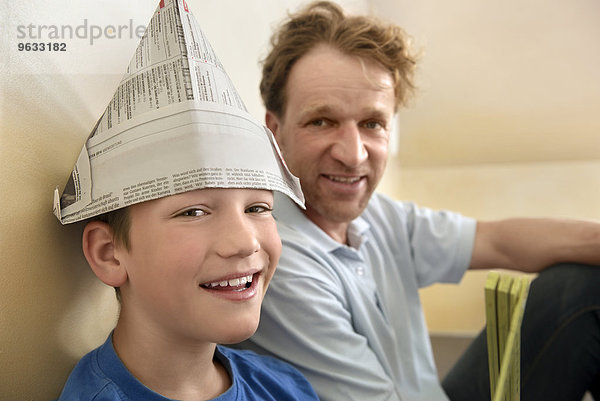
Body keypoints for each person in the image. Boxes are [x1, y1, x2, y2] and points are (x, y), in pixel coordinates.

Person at [237, 2, 600, 400]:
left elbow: (500, 242)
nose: (353, 154)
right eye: (321, 121)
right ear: (275, 131)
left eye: (372, 124)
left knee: (580, 288)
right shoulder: (279, 260)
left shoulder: (378, 214)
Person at [53, 1, 319, 399]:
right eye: (193, 211)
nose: (246, 242)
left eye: (258, 207)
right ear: (110, 253)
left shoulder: (285, 386)